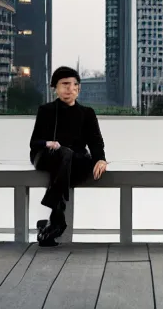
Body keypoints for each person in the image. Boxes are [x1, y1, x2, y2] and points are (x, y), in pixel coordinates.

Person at [30, 66, 108, 246]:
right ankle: (55, 217)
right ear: (55, 88)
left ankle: (54, 221)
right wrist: (48, 143)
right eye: (65, 84)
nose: (70, 89)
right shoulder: (46, 110)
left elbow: (96, 142)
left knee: (70, 155)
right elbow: (34, 142)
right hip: (47, 156)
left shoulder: (87, 113)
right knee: (64, 153)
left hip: (75, 160)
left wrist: (101, 159)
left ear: (79, 89)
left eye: (74, 85)